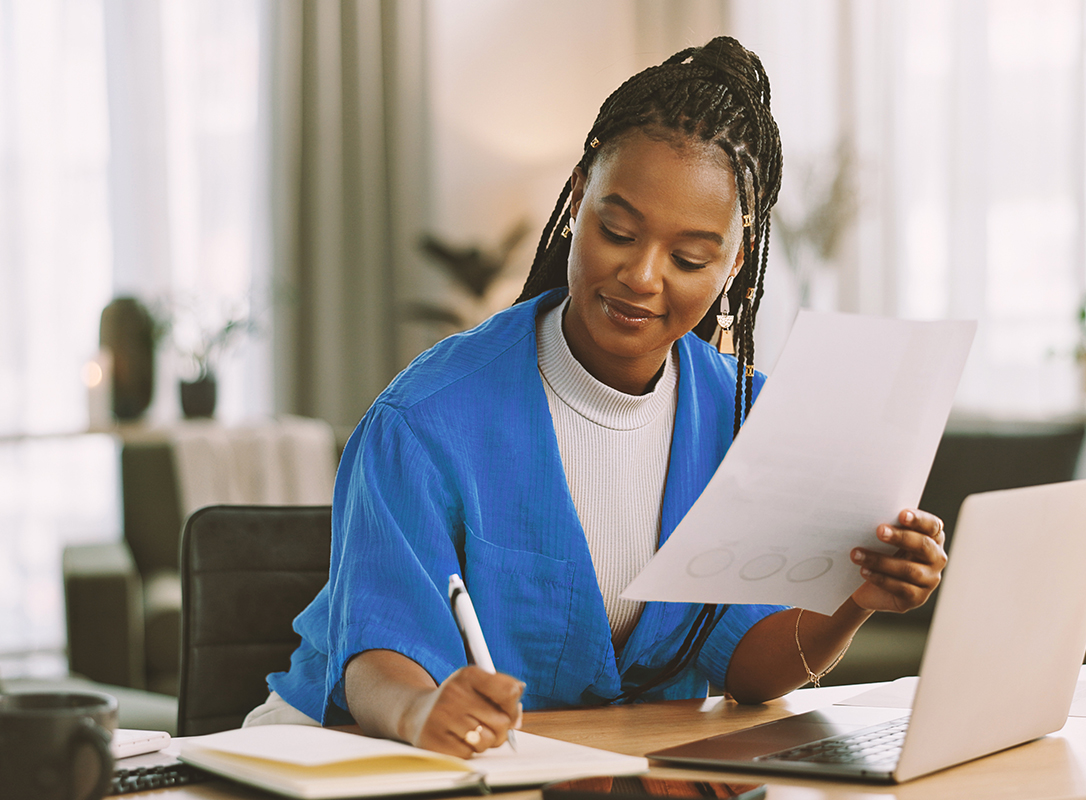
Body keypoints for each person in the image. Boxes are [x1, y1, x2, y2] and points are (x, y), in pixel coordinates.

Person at [249, 36, 947, 759]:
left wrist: (856, 600)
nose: (642, 277)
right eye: (618, 231)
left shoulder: (746, 421)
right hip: (363, 752)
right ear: (578, 198)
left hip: (586, 764)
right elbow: (374, 658)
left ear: (734, 263)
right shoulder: (425, 419)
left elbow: (750, 670)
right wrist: (424, 709)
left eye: (688, 258)